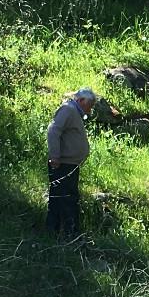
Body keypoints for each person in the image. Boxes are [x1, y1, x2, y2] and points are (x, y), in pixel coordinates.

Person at [45, 87, 98, 238]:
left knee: (67, 198)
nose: (90, 110)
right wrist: (54, 156)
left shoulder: (74, 112)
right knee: (63, 199)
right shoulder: (68, 109)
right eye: (89, 105)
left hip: (70, 165)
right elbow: (53, 130)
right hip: (62, 164)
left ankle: (64, 233)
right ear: (81, 100)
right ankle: (63, 233)